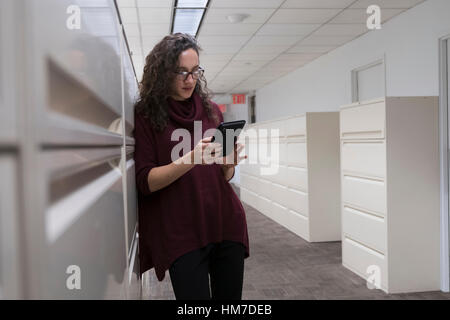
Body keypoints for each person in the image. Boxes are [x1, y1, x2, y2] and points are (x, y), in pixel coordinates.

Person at [133, 33, 250, 300]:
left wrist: (229, 163)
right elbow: (145, 181)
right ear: (163, 73)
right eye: (181, 72)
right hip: (181, 231)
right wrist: (191, 158)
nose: (190, 79)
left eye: (195, 71)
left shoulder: (211, 110)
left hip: (225, 222)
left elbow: (224, 176)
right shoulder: (145, 115)